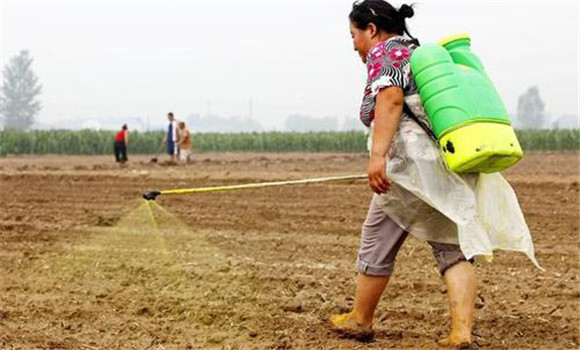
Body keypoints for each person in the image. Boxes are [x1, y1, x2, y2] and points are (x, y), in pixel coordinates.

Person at [329, 1, 539, 347]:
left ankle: (360, 319)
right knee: (453, 249)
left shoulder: (387, 53)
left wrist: (377, 157)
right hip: (446, 166)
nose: (353, 44)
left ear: (371, 29)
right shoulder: (420, 54)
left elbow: (391, 99)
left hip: (411, 171)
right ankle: (461, 333)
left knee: (376, 239)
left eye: (353, 35)